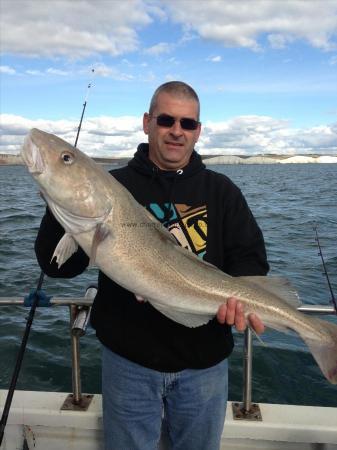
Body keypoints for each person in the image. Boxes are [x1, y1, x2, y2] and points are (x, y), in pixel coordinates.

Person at [35, 81, 269, 450]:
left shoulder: (222, 192)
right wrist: (58, 201)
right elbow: (58, 268)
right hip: (128, 365)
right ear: (147, 122)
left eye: (187, 123)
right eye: (166, 120)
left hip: (203, 365)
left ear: (198, 131)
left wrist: (239, 305)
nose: (177, 131)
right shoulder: (113, 186)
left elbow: (250, 262)